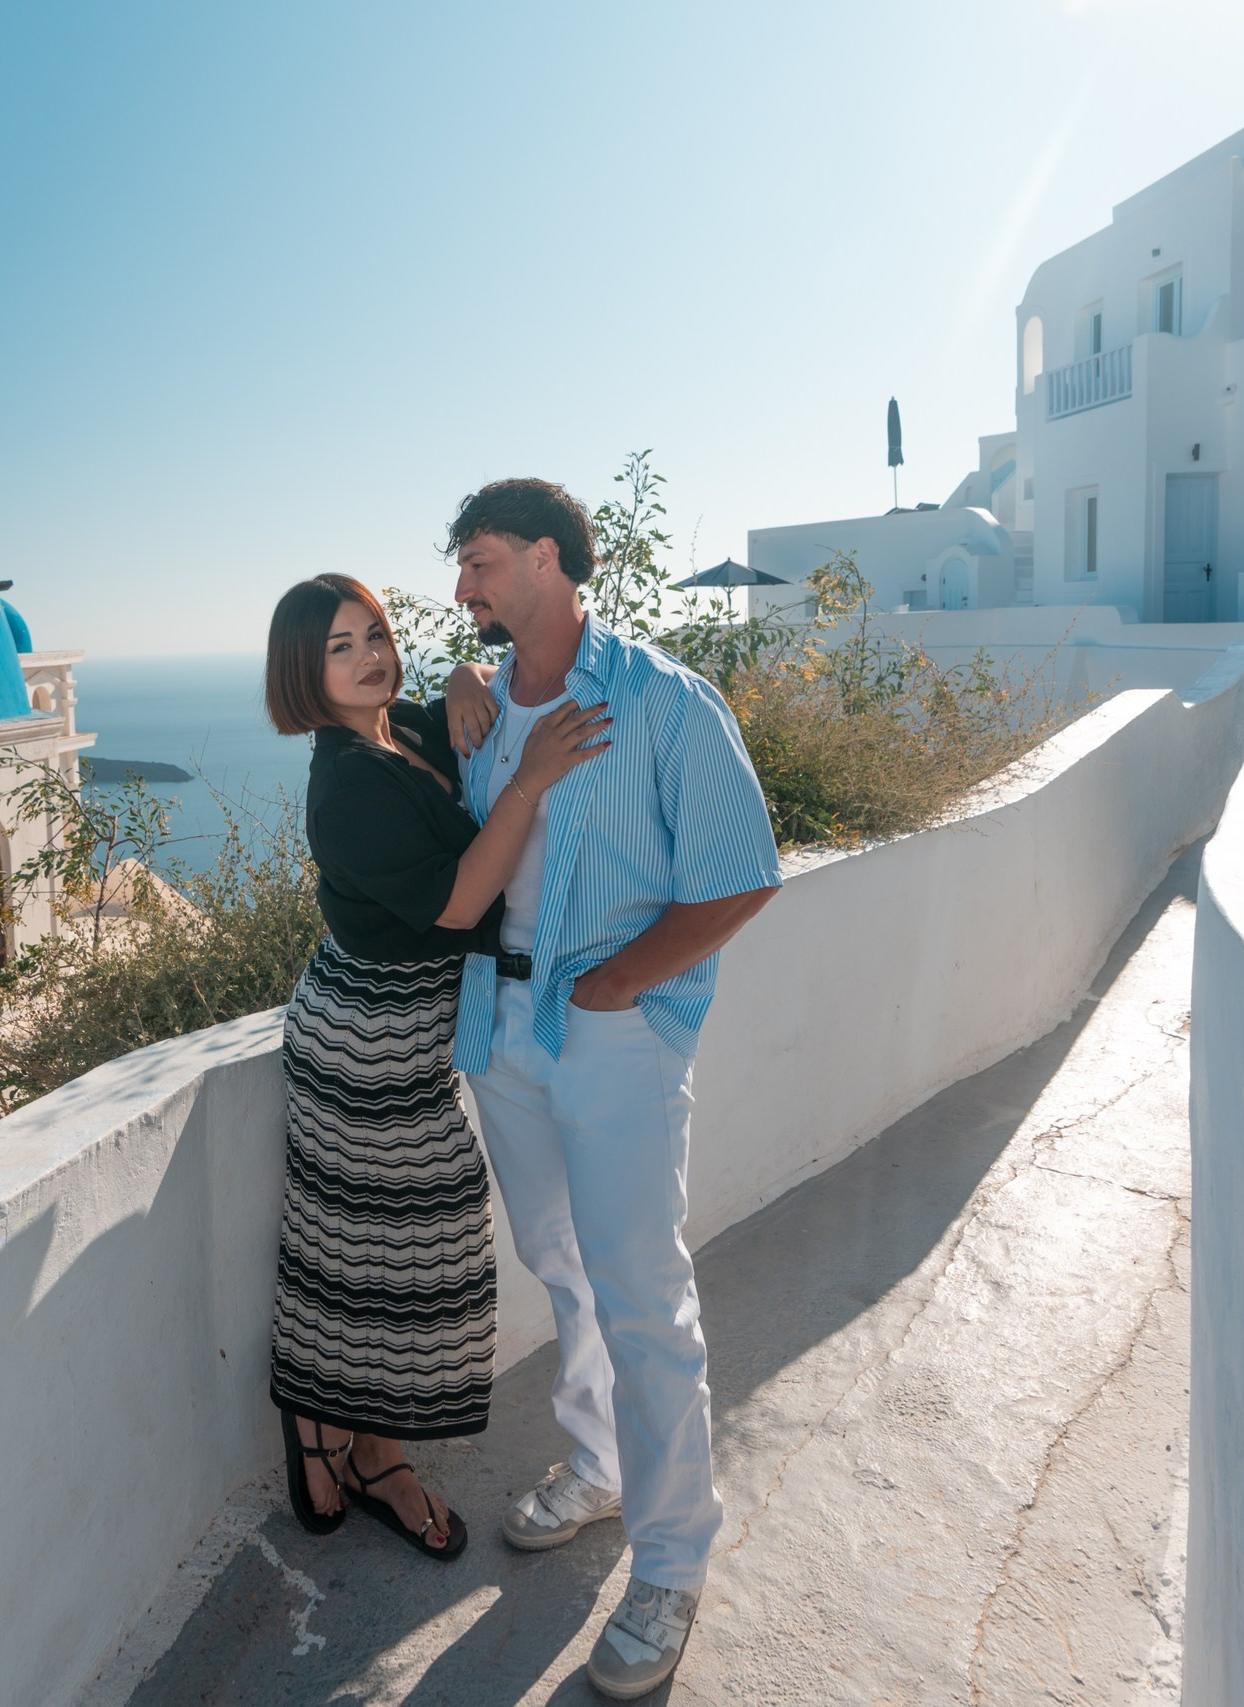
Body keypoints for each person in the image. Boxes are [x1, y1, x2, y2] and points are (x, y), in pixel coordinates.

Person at [440, 478, 781, 1700]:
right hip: (502, 1027)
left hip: (611, 1028)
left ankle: (673, 1560)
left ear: (546, 559)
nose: (463, 588)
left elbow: (743, 875)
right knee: (560, 1259)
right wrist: (457, 699)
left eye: (478, 562)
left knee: (642, 1290)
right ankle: (596, 1464)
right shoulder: (477, 709)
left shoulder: (663, 702)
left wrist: (623, 982)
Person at [263, 572, 609, 1561]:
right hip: (360, 1045)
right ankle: (336, 1427)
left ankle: (364, 1440)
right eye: (339, 646)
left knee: (382, 1252)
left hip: (420, 1031)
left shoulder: (399, 731)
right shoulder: (342, 787)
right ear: (303, 671)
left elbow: (471, 706)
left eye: (372, 633)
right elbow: (457, 904)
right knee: (381, 1248)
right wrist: (536, 774)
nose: (370, 654)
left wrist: (463, 671)